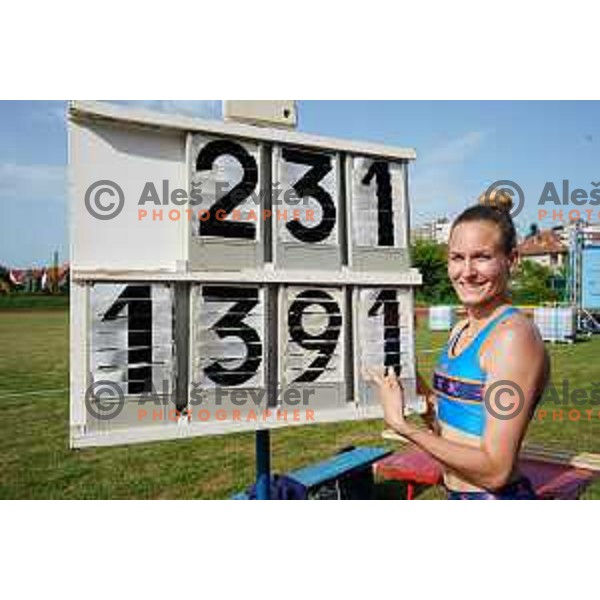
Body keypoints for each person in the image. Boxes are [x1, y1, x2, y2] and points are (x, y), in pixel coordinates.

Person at [367, 190, 549, 499]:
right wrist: (404, 373)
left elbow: (495, 469)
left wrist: (403, 426)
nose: (466, 272)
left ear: (512, 260)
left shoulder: (512, 338)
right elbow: (451, 418)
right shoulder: (460, 329)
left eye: (482, 257)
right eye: (457, 257)